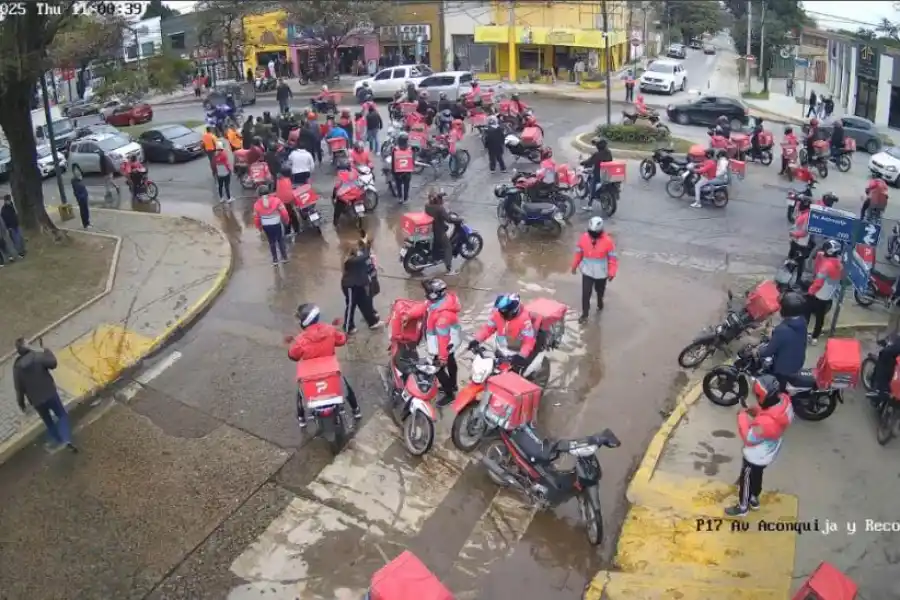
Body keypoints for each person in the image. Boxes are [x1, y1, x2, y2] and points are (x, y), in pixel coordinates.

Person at [724, 374, 793, 517]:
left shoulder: (764, 424)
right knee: (758, 475)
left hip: (756, 456)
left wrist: (742, 416)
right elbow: (769, 411)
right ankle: (754, 499)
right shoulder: (784, 402)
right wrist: (754, 410)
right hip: (770, 450)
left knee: (747, 478)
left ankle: (743, 507)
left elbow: (749, 438)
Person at [289, 303, 362, 427]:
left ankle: (301, 418)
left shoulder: (300, 339)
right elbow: (342, 340)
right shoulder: (330, 329)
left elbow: (293, 356)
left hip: (311, 376)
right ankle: (356, 410)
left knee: (300, 394)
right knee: (346, 386)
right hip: (331, 372)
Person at [13, 337, 77, 452]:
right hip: (50, 394)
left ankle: (60, 441)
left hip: (37, 401)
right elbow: (53, 363)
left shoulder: (17, 368)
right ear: (26, 346)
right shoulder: (37, 356)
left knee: (48, 422)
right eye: (27, 343)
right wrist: (47, 350)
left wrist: (22, 405)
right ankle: (66, 439)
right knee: (62, 415)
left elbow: (19, 389)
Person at [418, 278, 462, 402]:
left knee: (438, 370)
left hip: (444, 343)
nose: (426, 294)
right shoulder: (443, 301)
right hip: (451, 341)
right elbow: (425, 306)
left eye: (428, 292)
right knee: (451, 360)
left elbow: (443, 339)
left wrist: (442, 358)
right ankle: (453, 385)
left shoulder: (442, 317)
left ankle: (449, 394)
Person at [470, 293, 538, 372]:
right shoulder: (497, 314)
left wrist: (522, 355)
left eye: (505, 313)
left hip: (515, 354)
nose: (502, 315)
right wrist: (477, 339)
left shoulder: (525, 320)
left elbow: (528, 341)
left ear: (513, 311)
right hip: (500, 349)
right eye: (501, 312)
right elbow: (488, 328)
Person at [756, 291, 808, 391]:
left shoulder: (782, 330)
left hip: (784, 368)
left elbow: (767, 352)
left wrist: (757, 351)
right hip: (798, 361)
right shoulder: (802, 321)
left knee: (778, 389)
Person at [571, 216, 618, 323]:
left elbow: (612, 259)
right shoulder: (583, 238)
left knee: (599, 291)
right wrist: (574, 266)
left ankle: (600, 302)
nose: (593, 235)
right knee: (585, 293)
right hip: (587, 271)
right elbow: (579, 253)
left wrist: (612, 272)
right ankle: (585, 314)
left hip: (601, 273)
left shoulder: (608, 242)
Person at [805, 239, 843, 344]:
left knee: (806, 312)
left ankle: (803, 334)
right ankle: (814, 337)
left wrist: (810, 291)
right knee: (820, 317)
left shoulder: (827, 266)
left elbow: (818, 282)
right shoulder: (839, 264)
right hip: (828, 295)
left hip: (818, 294)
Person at [341, 241, 382, 333]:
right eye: (357, 248)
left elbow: (367, 263)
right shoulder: (350, 260)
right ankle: (348, 327)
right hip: (350, 286)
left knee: (365, 303)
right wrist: (367, 247)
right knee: (351, 305)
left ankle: (372, 322)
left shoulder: (359, 258)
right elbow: (364, 257)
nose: (359, 249)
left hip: (360, 284)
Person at [424, 189, 458, 275]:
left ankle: (436, 256)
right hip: (439, 231)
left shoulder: (427, 206)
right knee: (448, 247)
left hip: (430, 229)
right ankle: (449, 268)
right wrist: (458, 219)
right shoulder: (439, 208)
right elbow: (448, 219)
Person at [253, 186, 289, 264]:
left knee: (271, 242)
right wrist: (286, 220)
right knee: (280, 240)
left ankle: (275, 260)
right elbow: (284, 213)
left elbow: (256, 218)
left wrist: (259, 227)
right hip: (276, 224)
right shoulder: (277, 200)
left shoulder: (256, 204)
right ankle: (284, 257)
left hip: (266, 226)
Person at [580, 137, 613, 210]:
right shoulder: (608, 152)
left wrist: (582, 163)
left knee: (592, 187)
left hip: (598, 175)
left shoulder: (597, 154)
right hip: (608, 174)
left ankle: (589, 205)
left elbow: (589, 162)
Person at [788, 195, 813, 281]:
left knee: (798, 263)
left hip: (801, 244)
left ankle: (796, 280)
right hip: (795, 241)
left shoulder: (807, 216)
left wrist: (794, 233)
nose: (798, 205)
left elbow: (804, 232)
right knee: (791, 260)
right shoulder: (802, 213)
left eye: (800, 203)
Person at [275, 166, 301, 237]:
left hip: (281, 202)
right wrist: (294, 202)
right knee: (291, 216)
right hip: (287, 201)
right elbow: (289, 193)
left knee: (286, 216)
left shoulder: (279, 180)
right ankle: (294, 230)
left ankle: (289, 231)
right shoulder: (287, 180)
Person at [391, 132, 414, 203]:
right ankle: (406, 198)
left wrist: (393, 171)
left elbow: (393, 161)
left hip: (398, 172)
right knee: (406, 185)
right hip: (407, 172)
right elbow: (413, 160)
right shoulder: (410, 149)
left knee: (398, 185)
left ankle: (400, 198)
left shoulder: (395, 149)